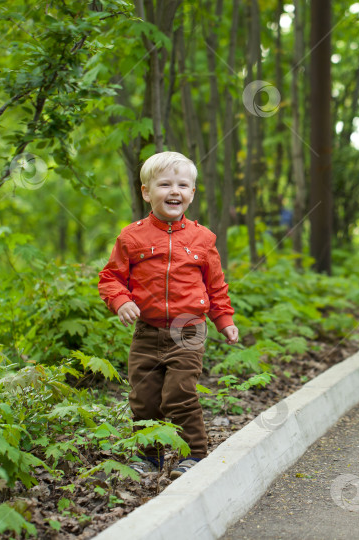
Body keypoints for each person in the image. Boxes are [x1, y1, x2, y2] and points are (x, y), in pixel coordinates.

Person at [98, 151, 239, 478]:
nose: (174, 191)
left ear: (192, 193)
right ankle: (149, 457)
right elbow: (110, 278)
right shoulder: (131, 237)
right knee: (143, 399)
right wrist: (120, 301)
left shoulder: (203, 239)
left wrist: (225, 321)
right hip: (146, 332)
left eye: (182, 185)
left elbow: (216, 286)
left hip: (188, 330)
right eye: (164, 184)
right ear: (146, 192)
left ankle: (195, 453)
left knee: (178, 393)